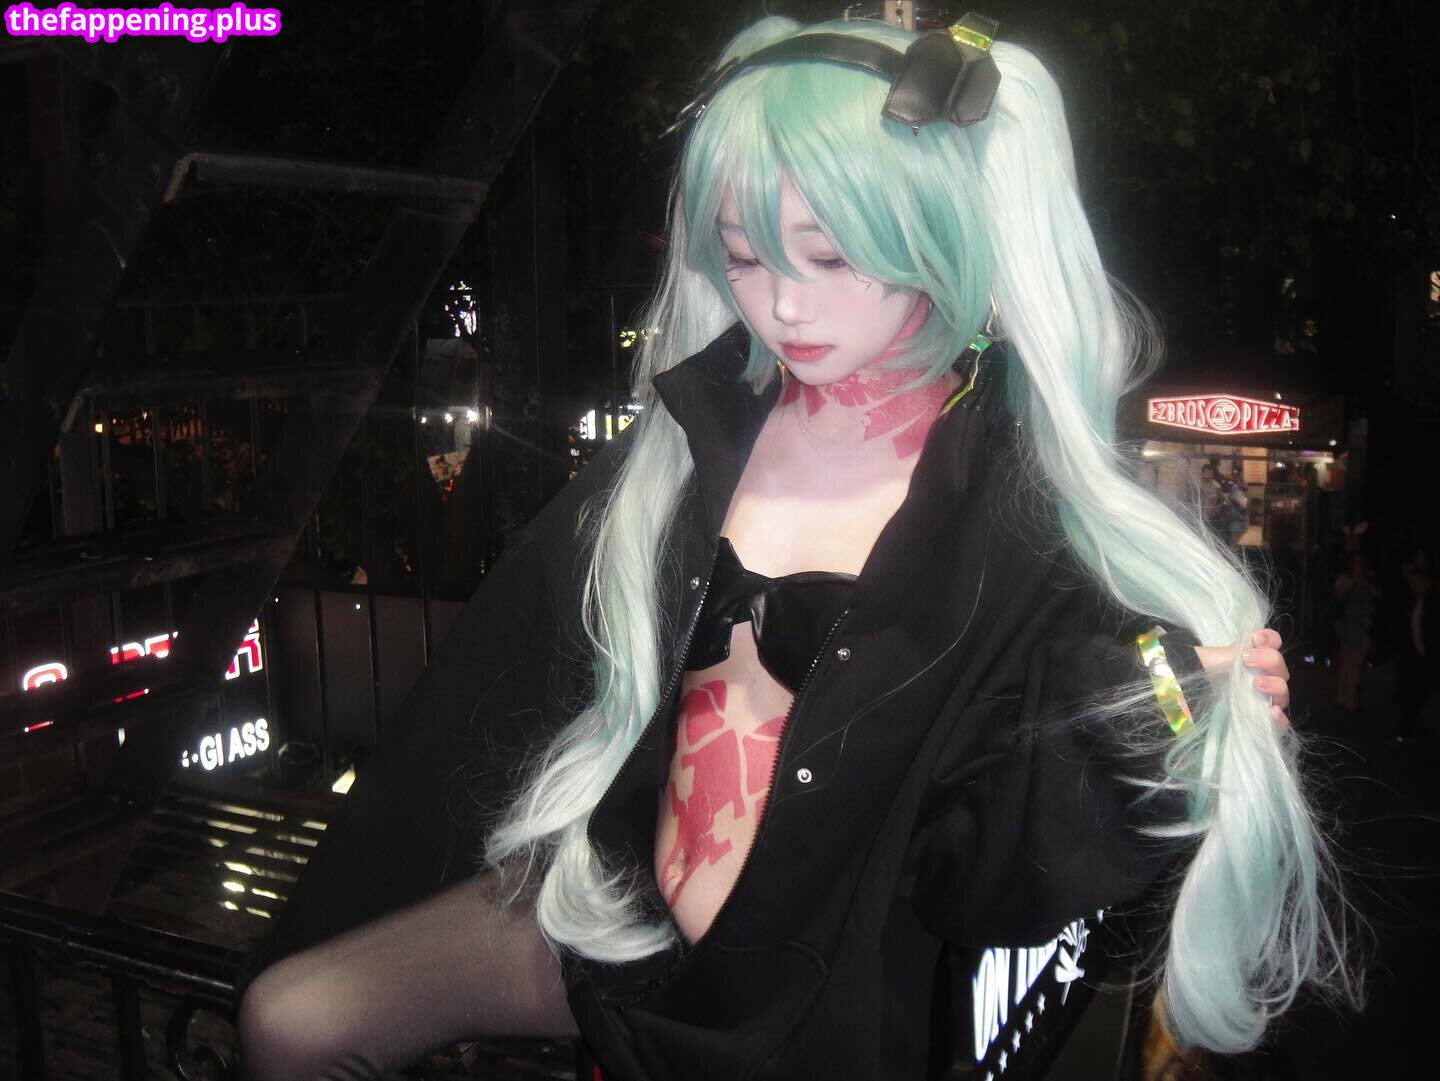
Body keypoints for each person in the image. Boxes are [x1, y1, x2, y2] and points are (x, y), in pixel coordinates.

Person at [235, 15, 1346, 1081]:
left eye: (830, 255)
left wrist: (1165, 712)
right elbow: (514, 670)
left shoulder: (1005, 521)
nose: (783, 306)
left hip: (807, 1013)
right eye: (744, 256)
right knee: (290, 1020)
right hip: (616, 936)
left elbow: (981, 869)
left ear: (943, 236)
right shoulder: (690, 442)